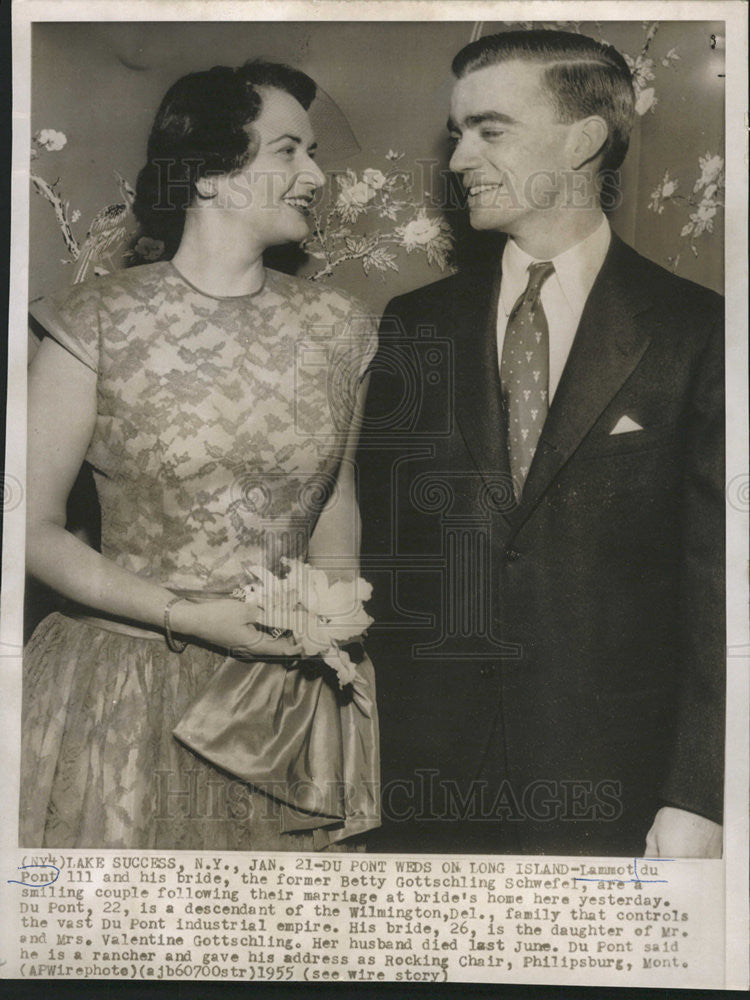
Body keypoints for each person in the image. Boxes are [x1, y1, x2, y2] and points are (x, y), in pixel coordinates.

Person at [360, 29, 724, 857]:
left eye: (490, 130)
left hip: (618, 786)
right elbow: (388, 560)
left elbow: (720, 589)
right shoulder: (415, 327)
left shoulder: (697, 332)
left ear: (584, 138)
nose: (458, 159)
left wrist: (700, 795)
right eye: (458, 133)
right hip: (429, 787)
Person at [21, 60, 379, 850]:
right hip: (124, 687)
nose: (315, 175)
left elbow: (335, 498)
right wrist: (189, 617)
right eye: (288, 151)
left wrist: (335, 614)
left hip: (279, 696)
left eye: (311, 152)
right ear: (212, 174)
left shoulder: (340, 326)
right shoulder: (97, 320)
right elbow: (29, 525)